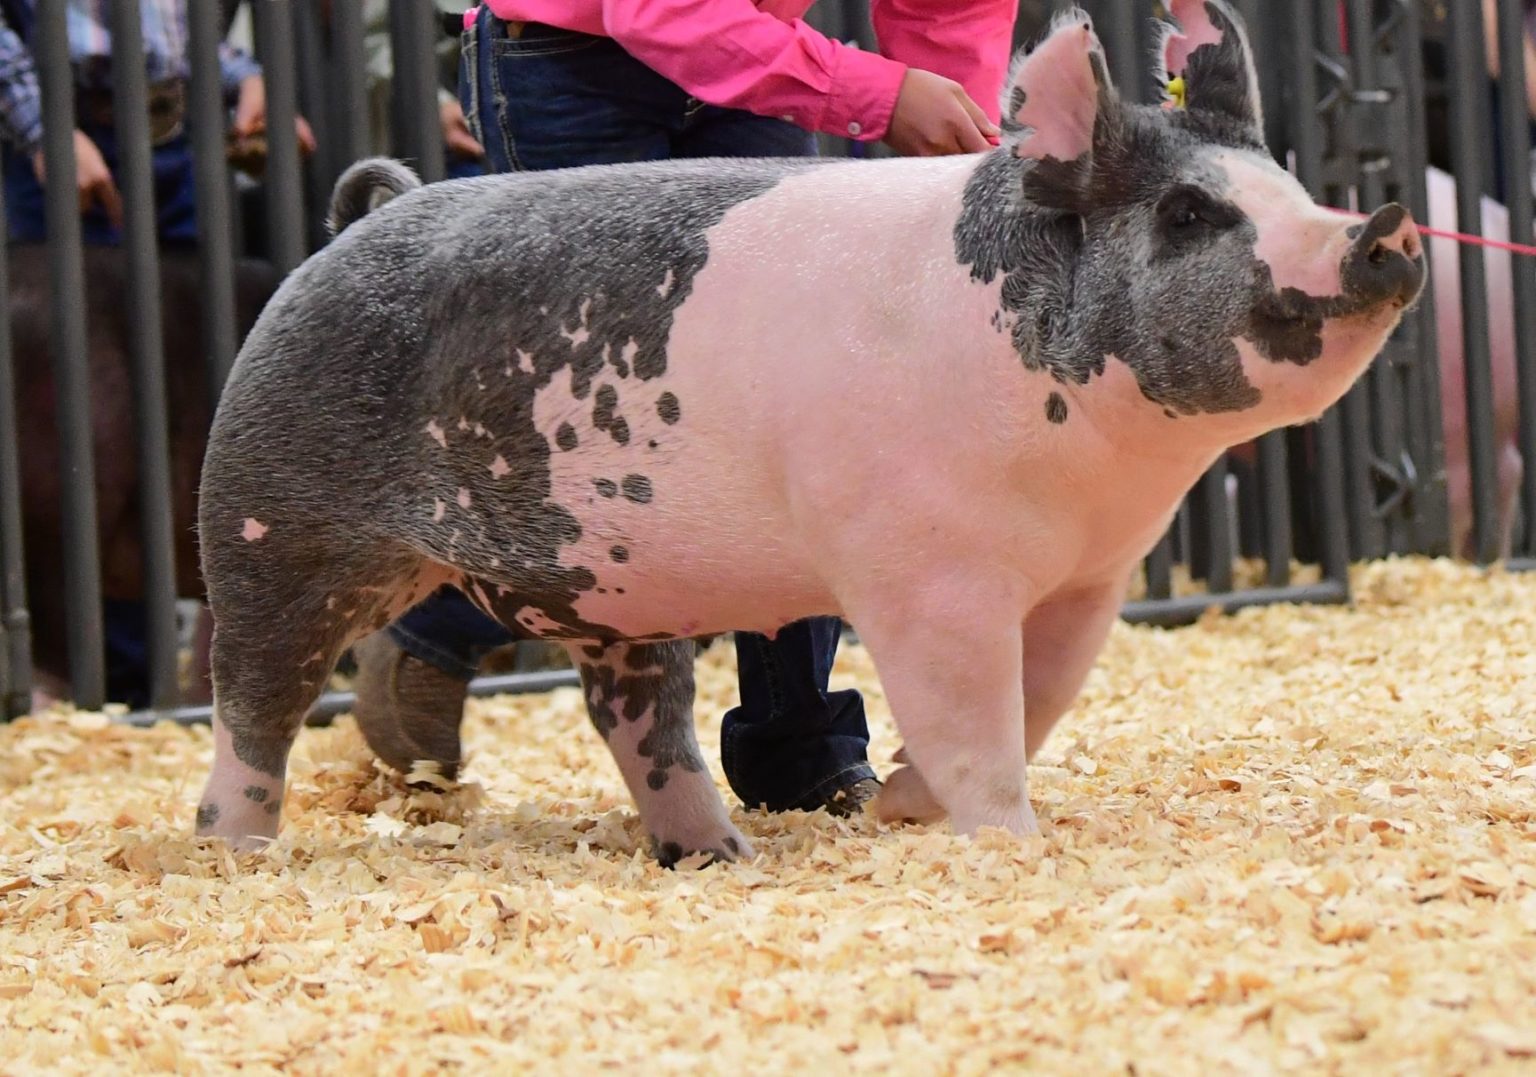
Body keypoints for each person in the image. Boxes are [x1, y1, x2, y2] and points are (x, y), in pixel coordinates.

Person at [350, 0, 1018, 817]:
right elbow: (660, 9)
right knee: (599, 417)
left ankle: (799, 744)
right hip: (569, 49)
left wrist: (951, 142)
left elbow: (947, 11)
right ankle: (448, 620)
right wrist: (879, 92)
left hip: (760, 53)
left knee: (794, 401)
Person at [0, 0, 313, 708]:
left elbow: (171, 26)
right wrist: (40, 126)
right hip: (69, 122)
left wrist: (246, 78)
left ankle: (156, 696)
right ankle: (90, 688)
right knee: (74, 416)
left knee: (197, 396)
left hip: (182, 127)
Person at [0, 0, 314, 247]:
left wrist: (244, 79)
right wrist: (42, 129)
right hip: (72, 149)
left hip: (178, 151)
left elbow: (172, 33)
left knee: (189, 318)